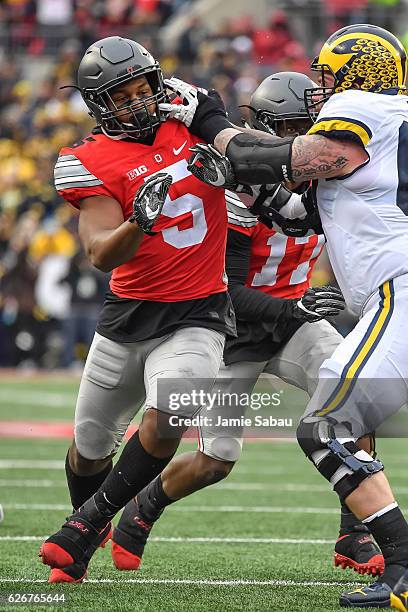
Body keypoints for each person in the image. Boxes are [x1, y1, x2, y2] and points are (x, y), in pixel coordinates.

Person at [109, 73, 383, 579]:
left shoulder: (327, 183)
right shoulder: (233, 192)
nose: (309, 141)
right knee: (216, 460)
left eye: (313, 127)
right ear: (267, 130)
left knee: (358, 394)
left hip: (292, 321)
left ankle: (356, 530)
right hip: (233, 332)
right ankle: (144, 507)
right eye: (298, 128)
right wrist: (297, 307)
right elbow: (228, 288)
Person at [183, 23, 408, 610]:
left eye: (328, 75)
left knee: (325, 427)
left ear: (356, 75)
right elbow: (300, 212)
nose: (320, 87)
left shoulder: (364, 108)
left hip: (401, 291)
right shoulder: (389, 125)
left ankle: (404, 566)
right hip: (391, 293)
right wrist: (249, 185)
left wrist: (210, 124)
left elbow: (311, 156)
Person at [39, 35, 237, 583]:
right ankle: (86, 528)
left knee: (172, 413)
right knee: (88, 448)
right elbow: (100, 252)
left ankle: (86, 526)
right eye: (120, 97)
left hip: (198, 308)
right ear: (99, 105)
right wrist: (138, 222)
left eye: (141, 89)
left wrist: (234, 167)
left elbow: (234, 140)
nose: (137, 103)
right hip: (128, 314)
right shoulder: (88, 159)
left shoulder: (191, 117)